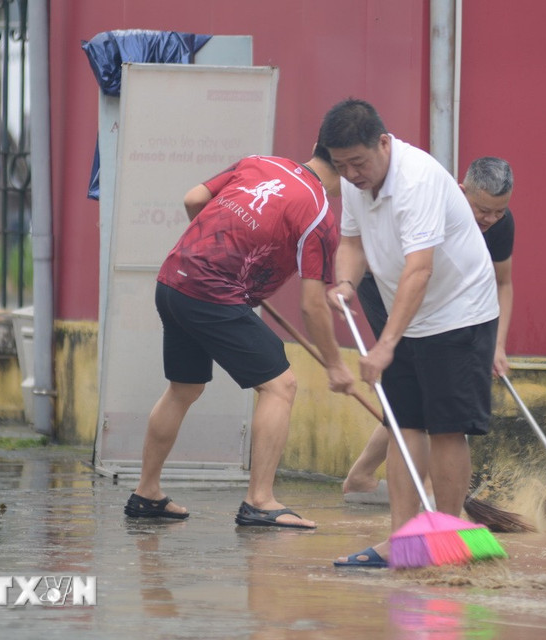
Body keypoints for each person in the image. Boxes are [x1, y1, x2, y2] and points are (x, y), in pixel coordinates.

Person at [123, 144, 355, 529]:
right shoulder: (318, 213)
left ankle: (147, 494)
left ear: (316, 143)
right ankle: (260, 501)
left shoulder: (260, 163)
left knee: (184, 388)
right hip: (211, 294)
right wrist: (335, 365)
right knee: (280, 386)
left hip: (174, 279)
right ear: (349, 165)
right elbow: (314, 306)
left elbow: (194, 198)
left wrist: (220, 253)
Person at [320, 98, 500, 567]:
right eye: (341, 165)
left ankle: (447, 532)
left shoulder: (416, 179)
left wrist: (385, 346)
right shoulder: (357, 184)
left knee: (445, 427)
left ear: (384, 143)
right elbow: (353, 243)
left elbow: (420, 270)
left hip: (459, 311)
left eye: (358, 162)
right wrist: (343, 282)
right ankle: (402, 539)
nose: (352, 174)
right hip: (409, 309)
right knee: (404, 426)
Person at [342, 157, 515, 504]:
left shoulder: (499, 223)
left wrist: (497, 345)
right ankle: (417, 487)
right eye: (482, 210)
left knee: (433, 398)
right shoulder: (431, 202)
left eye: (499, 212)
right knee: (418, 392)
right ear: (461, 190)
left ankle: (374, 478)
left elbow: (502, 282)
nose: (490, 220)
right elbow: (416, 271)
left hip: (446, 298)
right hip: (387, 284)